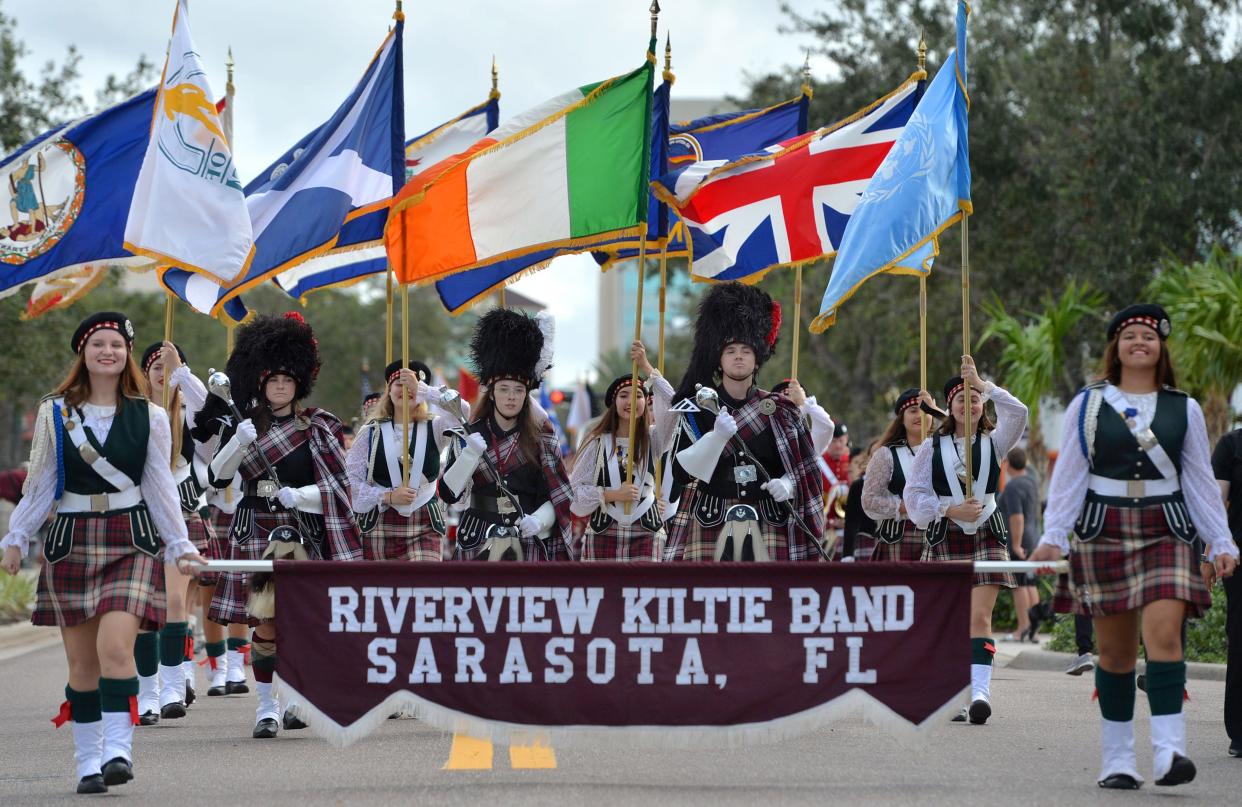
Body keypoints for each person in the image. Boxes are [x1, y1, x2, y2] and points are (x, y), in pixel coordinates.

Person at [1031, 304, 1238, 788]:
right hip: (1103, 528)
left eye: (1149, 335)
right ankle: (1118, 760)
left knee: (1164, 635)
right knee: (1116, 654)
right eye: (1130, 336)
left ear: (1161, 347)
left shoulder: (1182, 407)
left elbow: (1201, 483)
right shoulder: (1088, 404)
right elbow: (1068, 478)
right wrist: (1051, 538)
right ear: (1116, 349)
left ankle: (1169, 754)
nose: (1140, 342)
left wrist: (1220, 539)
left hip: (1167, 526)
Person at [0, 312, 204, 794]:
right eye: (98, 344)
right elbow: (41, 483)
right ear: (83, 354)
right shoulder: (55, 412)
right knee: (81, 667)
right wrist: (16, 536)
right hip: (71, 539)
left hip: (130, 538)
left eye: (116, 344)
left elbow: (159, 486)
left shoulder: (151, 416)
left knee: (116, 649)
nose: (107, 351)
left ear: (127, 353)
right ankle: (88, 760)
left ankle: (118, 750)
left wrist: (179, 544)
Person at [200, 312, 362, 739]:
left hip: (301, 529)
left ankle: (295, 700)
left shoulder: (319, 428)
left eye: (288, 381)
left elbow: (337, 488)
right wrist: (237, 442)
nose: (280, 387)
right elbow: (216, 478)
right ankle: (266, 708)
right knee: (265, 624)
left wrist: (300, 495)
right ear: (261, 382)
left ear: (299, 384)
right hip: (256, 527)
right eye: (273, 380)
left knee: (298, 622)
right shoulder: (244, 425)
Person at [905, 357, 1028, 725]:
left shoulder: (996, 440)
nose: (970, 404)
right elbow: (914, 495)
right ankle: (956, 692)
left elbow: (1019, 412)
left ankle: (980, 693)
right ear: (951, 407)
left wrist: (984, 384)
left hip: (988, 531)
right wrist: (948, 510)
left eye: (975, 399)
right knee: (953, 619)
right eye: (963, 399)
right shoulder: (932, 447)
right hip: (948, 534)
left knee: (979, 615)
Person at [665, 282, 825, 562]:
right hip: (710, 517)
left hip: (768, 518)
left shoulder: (781, 410)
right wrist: (715, 437)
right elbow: (680, 473)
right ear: (719, 359)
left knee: (771, 603)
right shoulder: (697, 409)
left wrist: (787, 484)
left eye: (746, 350)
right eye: (730, 350)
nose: (738, 355)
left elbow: (806, 471)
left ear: (758, 359)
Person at [438, 309, 573, 561]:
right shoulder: (469, 433)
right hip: (477, 539)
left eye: (518, 390)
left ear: (526, 395)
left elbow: (560, 496)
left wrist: (540, 521)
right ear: (491, 393)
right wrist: (469, 455)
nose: (511, 396)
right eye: (504, 389)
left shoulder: (543, 437)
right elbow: (448, 493)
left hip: (528, 537)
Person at [133, 341, 216, 724]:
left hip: (181, 515)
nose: (162, 375)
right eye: (156, 368)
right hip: (138, 517)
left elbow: (208, 406)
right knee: (143, 610)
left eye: (168, 369)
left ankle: (172, 685)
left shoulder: (188, 412)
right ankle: (147, 693)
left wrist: (180, 369)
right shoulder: (132, 411)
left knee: (174, 604)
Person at [569, 341, 675, 561]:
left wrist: (646, 367)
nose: (630, 401)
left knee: (645, 593)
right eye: (624, 395)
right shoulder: (596, 442)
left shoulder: (654, 438)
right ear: (614, 402)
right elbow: (575, 494)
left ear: (647, 402)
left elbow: (674, 408)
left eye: (638, 395)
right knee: (602, 594)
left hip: (647, 532)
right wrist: (611, 495)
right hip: (604, 532)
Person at [347, 361, 455, 562]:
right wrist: (387, 496)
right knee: (380, 591)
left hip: (424, 523)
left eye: (412, 386)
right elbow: (350, 484)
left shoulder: (436, 426)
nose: (405, 390)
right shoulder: (370, 432)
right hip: (380, 522)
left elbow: (463, 414)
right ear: (388, 390)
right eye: (399, 384)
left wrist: (427, 391)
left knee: (423, 590)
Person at [863, 388, 938, 563]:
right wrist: (908, 506)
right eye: (913, 411)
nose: (920, 415)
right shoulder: (886, 454)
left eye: (925, 410)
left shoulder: (946, 449)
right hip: (900, 536)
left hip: (939, 535)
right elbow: (869, 500)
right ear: (901, 419)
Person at [1212, 424, 1242, 757]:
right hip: (1239, 558)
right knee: (1240, 637)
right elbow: (1216, 501)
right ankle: (1239, 729)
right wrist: (1221, 544)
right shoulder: (1231, 444)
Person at [999, 446, 1041, 642]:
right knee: (1030, 582)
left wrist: (1015, 544)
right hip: (1033, 538)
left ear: (1008, 464)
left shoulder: (1013, 486)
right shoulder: (1032, 482)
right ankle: (1033, 628)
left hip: (1020, 540)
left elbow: (1017, 517)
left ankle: (1023, 628)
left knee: (1018, 585)